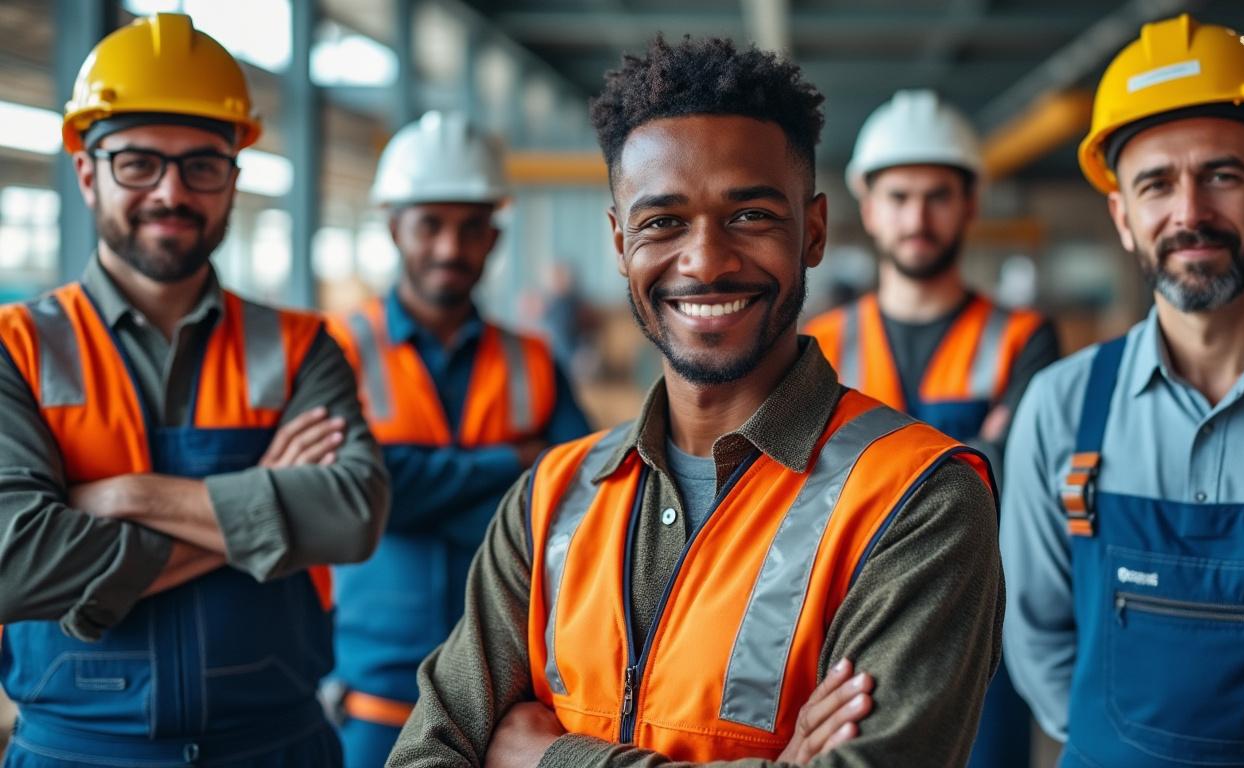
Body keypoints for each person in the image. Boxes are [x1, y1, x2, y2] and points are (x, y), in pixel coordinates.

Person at [387, 35, 1004, 767]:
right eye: (663, 222)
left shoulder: (920, 502)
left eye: (749, 216)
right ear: (620, 244)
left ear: (813, 230)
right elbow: (428, 754)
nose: (707, 261)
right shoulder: (550, 499)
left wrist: (549, 757)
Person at [0, 13, 389, 767]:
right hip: (77, 753)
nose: (171, 191)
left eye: (202, 165)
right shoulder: (16, 348)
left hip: (278, 747)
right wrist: (270, 495)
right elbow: (12, 561)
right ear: (87, 172)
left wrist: (129, 494)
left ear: (233, 178)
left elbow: (353, 513)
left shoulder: (302, 346)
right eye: (137, 163)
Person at [1001, 14, 1244, 767]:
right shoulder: (1061, 410)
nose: (1189, 213)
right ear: (1123, 216)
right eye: (1156, 184)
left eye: (1222, 174)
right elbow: (1036, 638)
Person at [323, 111, 590, 768]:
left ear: (494, 237)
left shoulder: (534, 361)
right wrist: (509, 465)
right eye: (430, 225)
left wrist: (410, 488)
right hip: (370, 700)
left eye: (471, 228)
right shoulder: (335, 353)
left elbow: (575, 506)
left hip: (504, 706)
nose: (450, 247)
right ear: (393, 227)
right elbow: (361, 496)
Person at [804, 91, 1058, 768]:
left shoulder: (1023, 338)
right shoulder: (819, 345)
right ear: (868, 204)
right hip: (843, 631)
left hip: (980, 628)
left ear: (970, 203)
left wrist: (862, 474)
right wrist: (977, 446)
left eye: (938, 195)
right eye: (899, 195)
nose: (917, 216)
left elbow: (1016, 485)